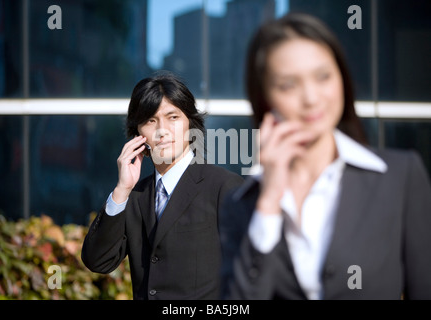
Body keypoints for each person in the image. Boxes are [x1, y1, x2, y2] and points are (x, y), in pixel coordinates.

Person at [219, 13, 431, 300]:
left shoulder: (400, 178)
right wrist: (268, 203)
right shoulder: (241, 204)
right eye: (288, 85)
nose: (311, 98)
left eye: (323, 77)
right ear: (264, 98)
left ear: (341, 77)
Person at [82, 72, 244, 300]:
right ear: (138, 133)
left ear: (191, 123)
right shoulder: (134, 196)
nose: (162, 131)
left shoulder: (224, 187)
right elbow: (98, 260)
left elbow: (252, 273)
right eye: (150, 120)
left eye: (173, 117)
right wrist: (121, 191)